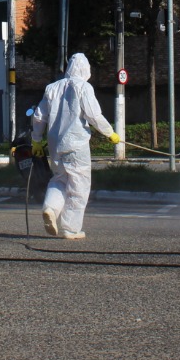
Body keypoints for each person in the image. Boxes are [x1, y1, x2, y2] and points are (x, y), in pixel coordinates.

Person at [30, 52, 118, 240]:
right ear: (86, 69)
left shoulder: (51, 88)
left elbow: (38, 116)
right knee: (79, 186)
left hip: (55, 146)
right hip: (76, 145)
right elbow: (93, 115)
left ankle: (50, 208)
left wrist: (36, 139)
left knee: (59, 179)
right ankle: (71, 228)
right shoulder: (84, 87)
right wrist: (109, 133)